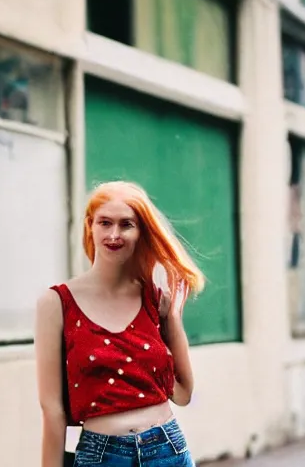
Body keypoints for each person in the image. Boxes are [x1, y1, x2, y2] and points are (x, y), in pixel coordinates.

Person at [35, 181, 205, 467]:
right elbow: (52, 410)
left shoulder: (154, 298)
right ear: (91, 226)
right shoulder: (56, 303)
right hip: (102, 457)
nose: (114, 234)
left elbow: (184, 393)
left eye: (126, 224)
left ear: (141, 232)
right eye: (105, 223)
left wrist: (172, 318)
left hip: (167, 450)